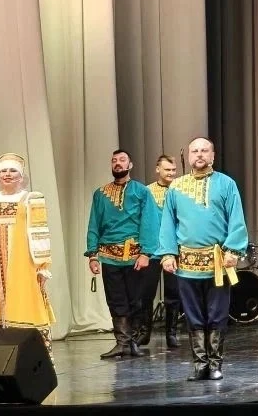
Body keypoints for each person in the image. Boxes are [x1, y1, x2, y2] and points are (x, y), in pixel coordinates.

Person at [157, 137, 248, 380]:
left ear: (212, 155)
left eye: (204, 150)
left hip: (217, 262)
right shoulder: (176, 187)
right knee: (193, 314)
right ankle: (200, 364)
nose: (199, 154)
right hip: (187, 263)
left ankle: (215, 364)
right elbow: (168, 222)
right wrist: (167, 253)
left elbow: (236, 219)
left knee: (217, 313)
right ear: (188, 156)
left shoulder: (226, 184)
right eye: (195, 151)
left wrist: (233, 250)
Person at [0, 154, 55, 351]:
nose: (7, 174)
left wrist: (42, 266)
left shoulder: (30, 200)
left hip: (22, 264)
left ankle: (33, 353)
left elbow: (39, 232)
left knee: (25, 304)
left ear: (21, 176)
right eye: (4, 171)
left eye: (12, 171)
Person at [85, 149, 161, 360]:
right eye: (114, 160)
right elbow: (94, 224)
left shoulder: (141, 191)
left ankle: (133, 342)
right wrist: (93, 254)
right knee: (115, 299)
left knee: (136, 300)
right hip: (109, 256)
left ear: (130, 165)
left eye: (122, 160)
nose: (117, 163)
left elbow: (150, 222)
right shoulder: (100, 194)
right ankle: (122, 343)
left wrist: (146, 253)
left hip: (135, 256)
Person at [142, 154, 182, 348]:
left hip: (173, 249)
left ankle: (171, 334)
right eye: (167, 170)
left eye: (173, 170)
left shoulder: (180, 190)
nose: (171, 173)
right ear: (157, 169)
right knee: (146, 293)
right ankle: (144, 333)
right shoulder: (147, 191)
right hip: (153, 250)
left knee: (173, 293)